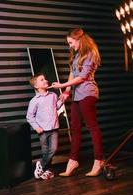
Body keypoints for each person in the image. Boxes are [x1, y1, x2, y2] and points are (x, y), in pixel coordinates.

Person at [51, 27, 104, 177]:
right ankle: (73, 160)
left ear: (79, 39)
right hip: (77, 95)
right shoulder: (77, 55)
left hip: (88, 93)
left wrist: (61, 86)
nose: (70, 46)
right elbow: (72, 73)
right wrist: (67, 92)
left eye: (71, 42)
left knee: (92, 127)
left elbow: (81, 78)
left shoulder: (90, 53)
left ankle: (99, 160)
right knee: (75, 129)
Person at [26, 72, 63, 180]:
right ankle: (47, 170)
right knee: (45, 151)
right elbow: (29, 116)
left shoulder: (53, 95)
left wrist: (62, 99)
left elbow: (56, 107)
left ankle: (41, 165)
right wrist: (36, 127)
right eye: (42, 80)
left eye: (45, 78)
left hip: (54, 128)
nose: (46, 80)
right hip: (42, 130)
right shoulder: (34, 101)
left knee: (53, 149)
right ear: (36, 86)